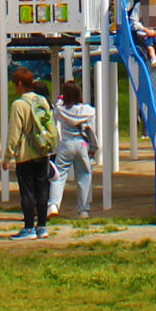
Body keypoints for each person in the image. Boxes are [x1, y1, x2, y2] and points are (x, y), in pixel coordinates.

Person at [3, 66, 57, 240]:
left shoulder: (18, 105)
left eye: (14, 84)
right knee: (42, 190)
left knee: (27, 192)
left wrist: (7, 157)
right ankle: (42, 226)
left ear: (19, 84)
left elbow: (14, 133)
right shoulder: (42, 101)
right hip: (42, 150)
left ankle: (28, 228)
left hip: (25, 154)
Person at [52, 78, 99, 218]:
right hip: (82, 144)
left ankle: (53, 205)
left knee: (59, 175)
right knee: (84, 176)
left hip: (66, 144)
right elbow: (92, 127)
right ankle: (83, 210)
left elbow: (55, 110)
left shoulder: (61, 110)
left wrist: (60, 100)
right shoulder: (87, 110)